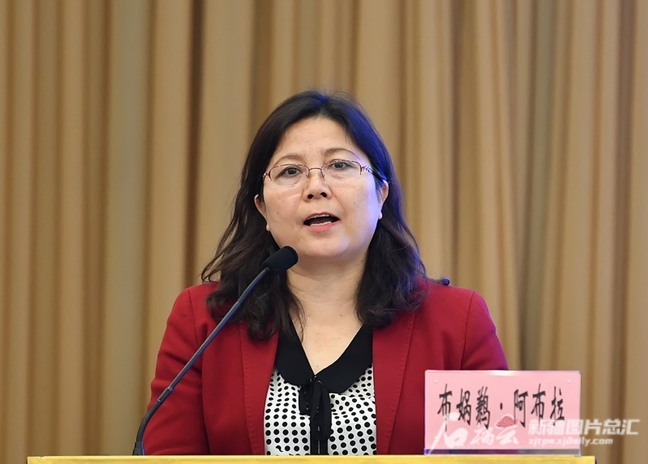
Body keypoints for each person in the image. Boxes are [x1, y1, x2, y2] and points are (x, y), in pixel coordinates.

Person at [143, 90, 508, 456]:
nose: (316, 188)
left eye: (340, 165)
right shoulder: (204, 321)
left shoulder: (459, 321)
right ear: (262, 208)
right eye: (290, 171)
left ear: (381, 194)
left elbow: (498, 461)